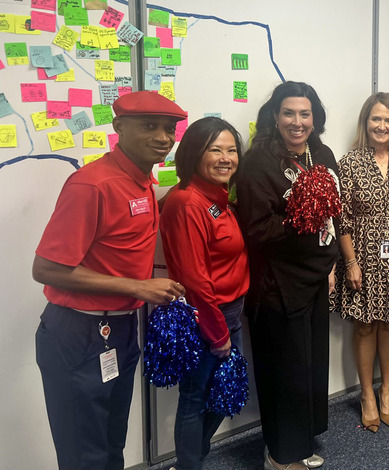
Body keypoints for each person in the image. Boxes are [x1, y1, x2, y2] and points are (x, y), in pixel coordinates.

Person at [32, 91, 188, 470]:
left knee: (111, 441)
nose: (163, 137)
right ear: (118, 127)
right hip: (78, 332)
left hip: (119, 328)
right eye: (149, 126)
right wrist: (140, 286)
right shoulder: (92, 184)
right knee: (83, 451)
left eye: (169, 129)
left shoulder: (142, 182)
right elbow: (46, 268)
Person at [236, 81, 339, 470]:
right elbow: (257, 230)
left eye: (305, 114)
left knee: (308, 368)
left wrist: (330, 265)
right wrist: (301, 218)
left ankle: (299, 442)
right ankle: (280, 455)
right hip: (278, 284)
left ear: (315, 118)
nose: (297, 122)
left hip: (315, 277)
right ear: (275, 117)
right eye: (289, 113)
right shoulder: (258, 162)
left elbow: (332, 212)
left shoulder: (322, 153)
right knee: (283, 371)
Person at [159, 117, 249, 470]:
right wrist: (218, 334)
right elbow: (196, 282)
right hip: (209, 316)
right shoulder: (189, 204)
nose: (225, 157)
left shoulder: (214, 196)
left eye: (231, 150)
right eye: (215, 150)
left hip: (228, 311)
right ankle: (189, 463)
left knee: (223, 392)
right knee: (196, 398)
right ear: (195, 153)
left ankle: (193, 456)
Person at [331, 92, 389, 433]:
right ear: (366, 122)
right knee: (365, 324)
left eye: (388, 120)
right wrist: (350, 262)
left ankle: (387, 391)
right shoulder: (349, 162)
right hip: (361, 253)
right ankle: (367, 394)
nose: (382, 126)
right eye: (376, 119)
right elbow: (342, 218)